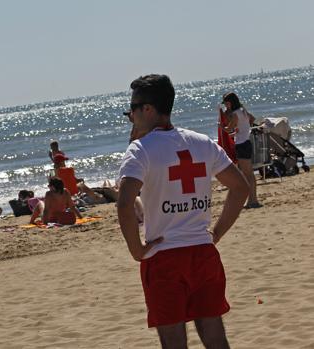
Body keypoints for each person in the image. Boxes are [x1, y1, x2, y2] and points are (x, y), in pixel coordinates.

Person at [117, 74, 249, 349]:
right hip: (202, 252)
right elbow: (240, 188)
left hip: (164, 257)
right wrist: (216, 233)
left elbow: (125, 204)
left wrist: (136, 250)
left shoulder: (140, 150)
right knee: (215, 337)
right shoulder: (201, 143)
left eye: (132, 110)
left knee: (174, 342)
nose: (131, 116)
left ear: (148, 109)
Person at [222, 92, 262, 208]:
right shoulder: (242, 110)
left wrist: (221, 126)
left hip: (241, 144)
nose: (226, 106)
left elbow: (228, 129)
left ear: (230, 103)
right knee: (249, 174)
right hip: (246, 142)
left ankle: (253, 200)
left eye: (226, 103)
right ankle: (253, 199)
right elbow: (252, 119)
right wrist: (241, 130)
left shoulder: (235, 114)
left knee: (247, 174)